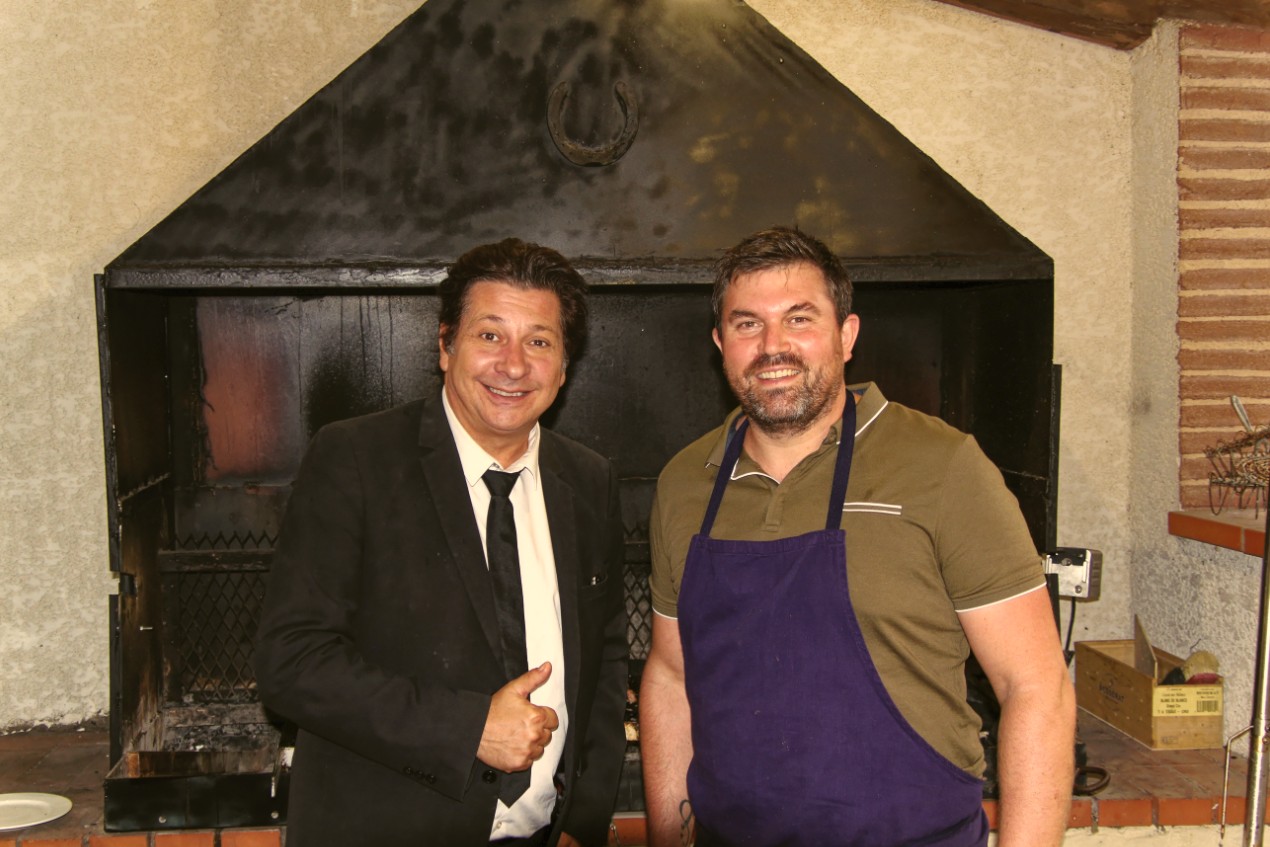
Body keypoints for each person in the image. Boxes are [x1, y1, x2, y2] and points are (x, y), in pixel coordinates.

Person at [639, 226, 1074, 847]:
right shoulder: (685, 482)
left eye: (799, 319)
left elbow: (1035, 686)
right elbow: (670, 676)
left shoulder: (943, 466)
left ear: (846, 336)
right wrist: (670, 835)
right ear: (720, 344)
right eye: (747, 324)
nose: (773, 346)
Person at [256, 238, 628, 847]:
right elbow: (290, 661)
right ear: (445, 345)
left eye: (539, 342)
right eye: (490, 335)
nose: (513, 365)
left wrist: (583, 821)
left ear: (564, 367)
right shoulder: (355, 459)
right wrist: (467, 729)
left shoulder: (590, 481)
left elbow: (606, 660)